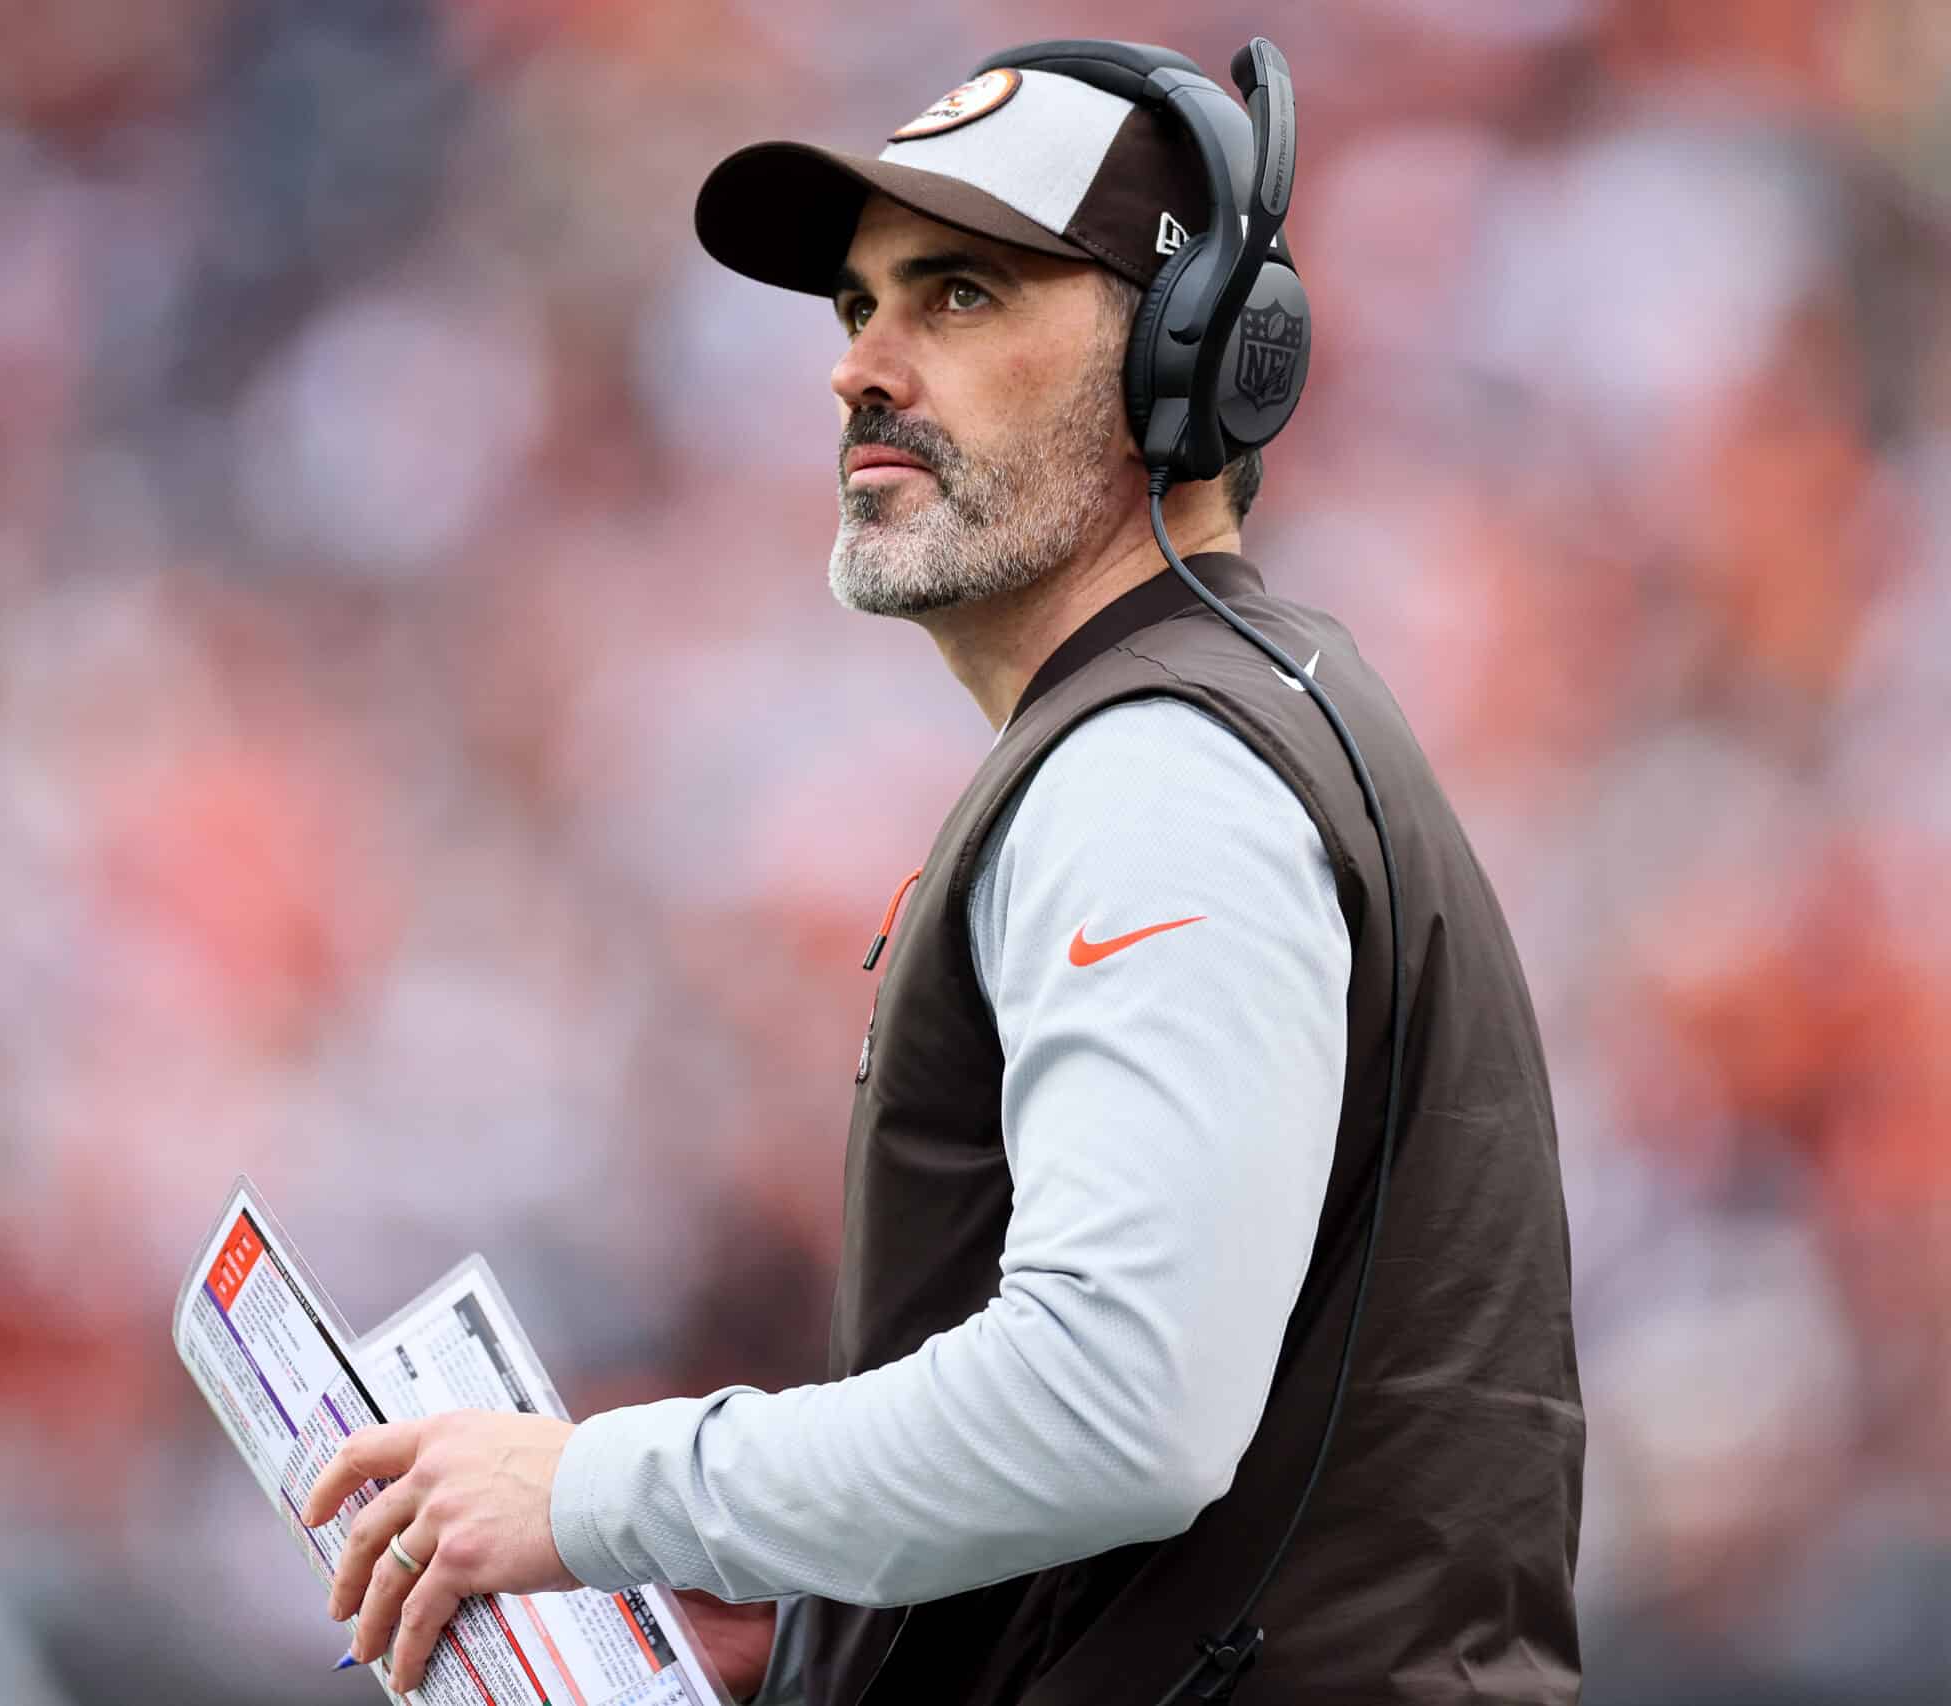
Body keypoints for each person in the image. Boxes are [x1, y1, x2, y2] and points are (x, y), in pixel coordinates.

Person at [302, 38, 1584, 1705]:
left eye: (962, 295)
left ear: (1193, 361)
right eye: (856, 308)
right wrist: (846, 1598)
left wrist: (597, 1493)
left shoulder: (1161, 769)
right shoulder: (1205, 724)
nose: (861, 370)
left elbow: (1120, 1402)